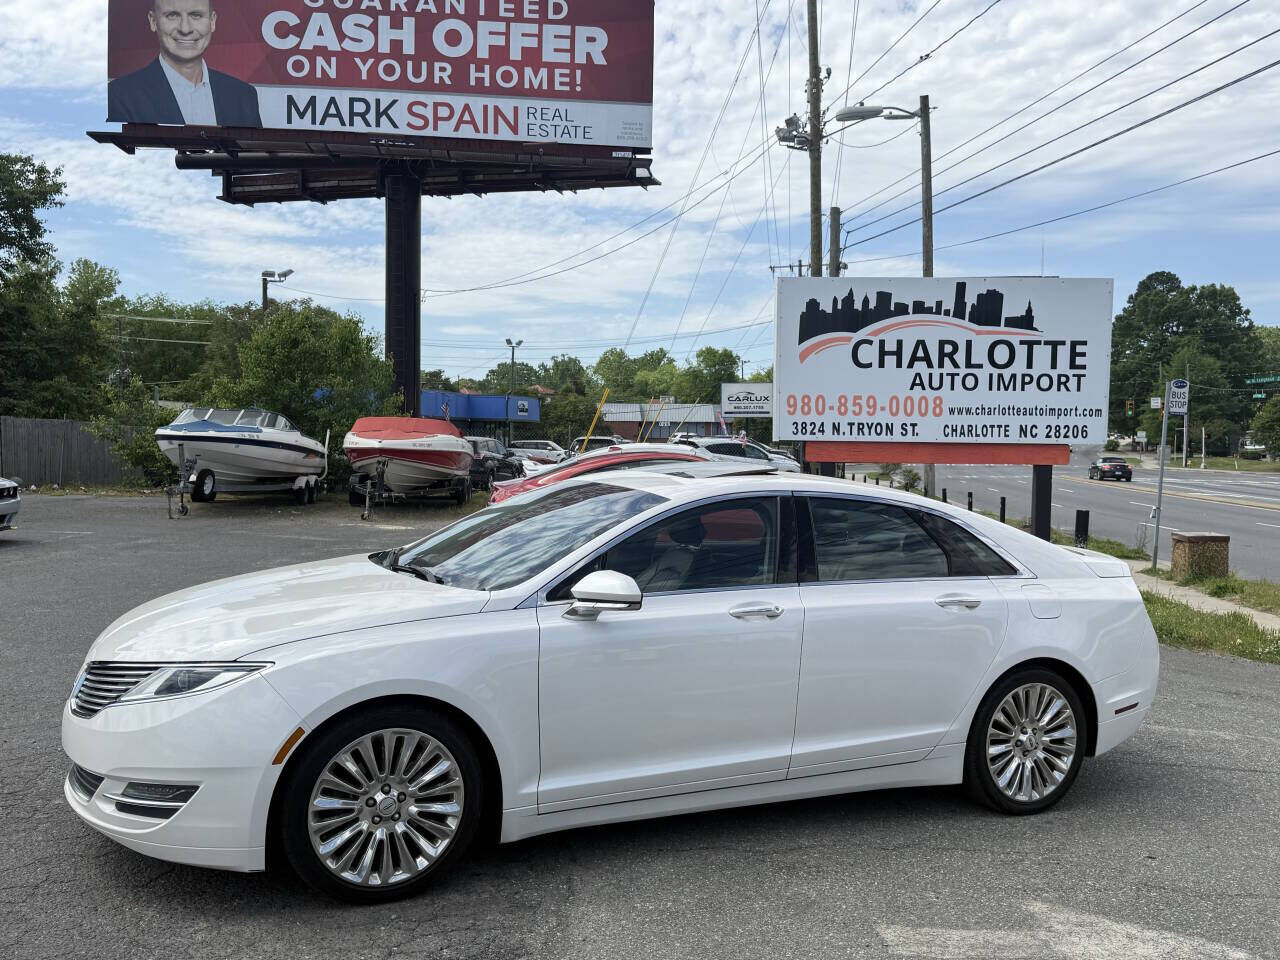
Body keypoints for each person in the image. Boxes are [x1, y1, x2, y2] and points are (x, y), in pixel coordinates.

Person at [108, 0, 261, 127]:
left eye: (196, 15)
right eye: (172, 15)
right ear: (153, 21)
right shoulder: (121, 95)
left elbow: (256, 161)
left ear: (212, 21)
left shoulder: (243, 96)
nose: (185, 29)